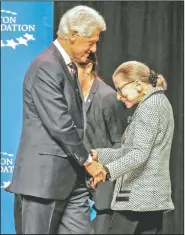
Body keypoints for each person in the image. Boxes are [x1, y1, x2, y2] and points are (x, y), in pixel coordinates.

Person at [5, 5, 107, 234]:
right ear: (72, 36)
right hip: (45, 181)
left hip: (72, 179)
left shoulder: (66, 67)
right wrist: (88, 163)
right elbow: (60, 123)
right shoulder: (46, 66)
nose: (93, 49)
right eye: (90, 42)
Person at [90, 61, 175, 234]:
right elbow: (130, 152)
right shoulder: (158, 102)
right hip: (150, 199)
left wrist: (105, 171)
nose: (118, 95)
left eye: (120, 89)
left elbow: (138, 154)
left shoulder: (150, 107)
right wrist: (98, 154)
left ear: (137, 84)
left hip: (138, 200)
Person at [76, 53, 128, 233]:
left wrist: (101, 170)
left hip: (101, 188)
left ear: (88, 67)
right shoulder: (70, 95)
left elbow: (122, 144)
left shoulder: (108, 97)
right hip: (75, 187)